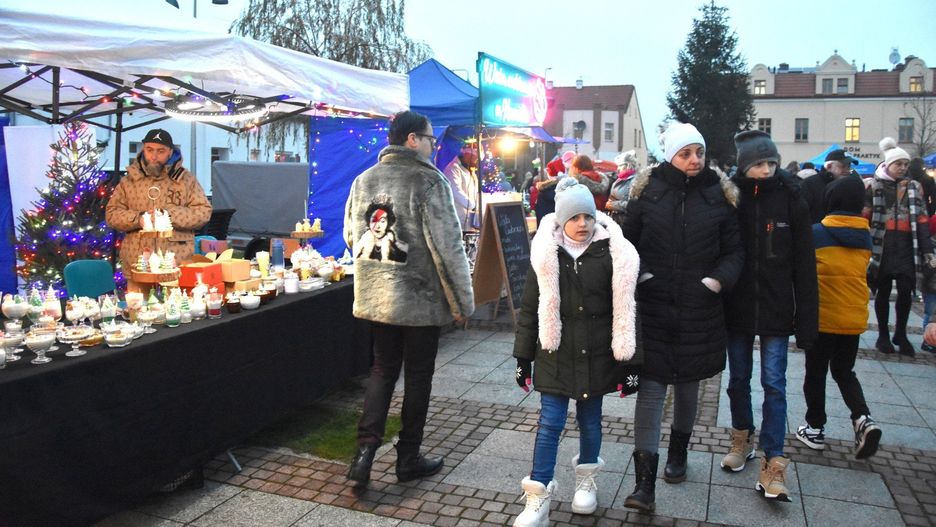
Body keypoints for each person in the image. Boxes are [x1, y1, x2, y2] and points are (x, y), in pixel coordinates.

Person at [343, 110, 474, 488]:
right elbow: (448, 248)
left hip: (377, 297)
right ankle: (408, 456)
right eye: (431, 139)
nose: (435, 146)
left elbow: (353, 237)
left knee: (382, 370)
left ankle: (364, 455)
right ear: (413, 140)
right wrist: (463, 302)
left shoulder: (363, 180)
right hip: (419, 299)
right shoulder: (428, 181)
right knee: (418, 376)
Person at [621, 122, 743, 512]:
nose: (694, 160)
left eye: (699, 153)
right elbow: (627, 246)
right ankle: (644, 485)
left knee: (688, 386)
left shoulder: (719, 195)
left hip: (699, 306)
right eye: (686, 153)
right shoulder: (647, 192)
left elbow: (734, 252)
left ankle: (678, 453)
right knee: (652, 388)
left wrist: (716, 282)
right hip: (655, 303)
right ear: (670, 155)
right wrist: (642, 276)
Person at [511, 178, 641, 526]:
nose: (583, 224)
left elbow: (627, 308)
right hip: (555, 353)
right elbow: (529, 308)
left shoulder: (613, 252)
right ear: (561, 219)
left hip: (598, 354)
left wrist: (632, 364)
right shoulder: (546, 254)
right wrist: (523, 358)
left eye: (588, 216)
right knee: (550, 423)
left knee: (590, 420)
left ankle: (586, 480)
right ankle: (537, 497)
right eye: (575, 218)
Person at [721, 131, 818, 502]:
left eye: (771, 163)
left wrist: (807, 320)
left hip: (777, 308)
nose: (766, 170)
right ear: (745, 166)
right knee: (738, 379)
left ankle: (773, 461)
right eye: (759, 164)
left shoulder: (792, 197)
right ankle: (741, 437)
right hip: (739, 306)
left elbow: (805, 265)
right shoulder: (732, 198)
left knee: (774, 384)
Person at [795, 175, 883, 459]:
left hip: (823, 318)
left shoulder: (816, 233)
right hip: (852, 319)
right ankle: (862, 418)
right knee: (845, 372)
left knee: (816, 373)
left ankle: (815, 429)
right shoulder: (865, 238)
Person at [105, 128, 211, 282]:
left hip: (176, 263)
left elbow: (203, 212)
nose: (154, 156)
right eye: (149, 150)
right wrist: (139, 218)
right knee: (137, 305)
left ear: (170, 152)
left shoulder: (186, 180)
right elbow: (112, 214)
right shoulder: (128, 182)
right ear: (144, 149)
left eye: (160, 151)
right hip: (139, 264)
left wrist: (168, 216)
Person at [863, 137, 933, 357]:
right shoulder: (874, 186)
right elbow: (865, 216)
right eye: (898, 164)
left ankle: (900, 333)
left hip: (906, 247)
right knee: (882, 292)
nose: (902, 168)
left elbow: (922, 219)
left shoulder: (914, 187)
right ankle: (883, 335)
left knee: (905, 292)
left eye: (905, 164)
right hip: (881, 247)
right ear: (888, 164)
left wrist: (927, 250)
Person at [801, 149, 858, 223]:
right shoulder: (809, 184)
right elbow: (801, 214)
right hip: (816, 232)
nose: (847, 170)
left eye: (849, 166)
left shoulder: (849, 186)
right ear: (829, 166)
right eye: (843, 166)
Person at [442, 149, 479, 230]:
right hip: (457, 218)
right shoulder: (453, 169)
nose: (477, 162)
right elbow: (456, 191)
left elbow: (475, 192)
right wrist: (472, 206)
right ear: (468, 155)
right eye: (476, 159)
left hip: (469, 219)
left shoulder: (471, 172)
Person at [606, 150, 639, 228]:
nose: (618, 169)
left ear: (628, 165)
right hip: (615, 220)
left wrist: (613, 205)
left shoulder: (635, 181)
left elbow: (634, 205)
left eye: (620, 165)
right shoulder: (619, 179)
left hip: (626, 222)